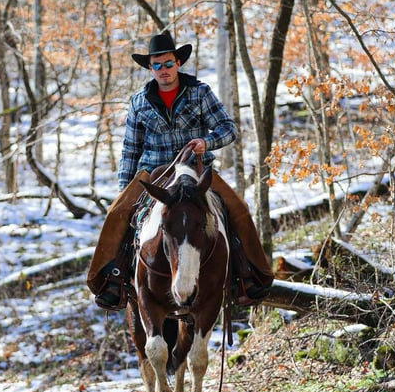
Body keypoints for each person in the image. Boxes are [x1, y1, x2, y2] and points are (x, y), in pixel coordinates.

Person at [87, 30, 274, 310]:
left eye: (168, 63)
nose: (163, 70)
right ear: (150, 68)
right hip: (153, 172)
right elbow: (130, 149)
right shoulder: (139, 101)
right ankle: (112, 278)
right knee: (117, 212)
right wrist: (125, 189)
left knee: (238, 207)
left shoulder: (200, 92)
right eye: (157, 65)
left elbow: (228, 128)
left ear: (178, 63)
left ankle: (249, 275)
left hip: (196, 170)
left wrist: (206, 142)